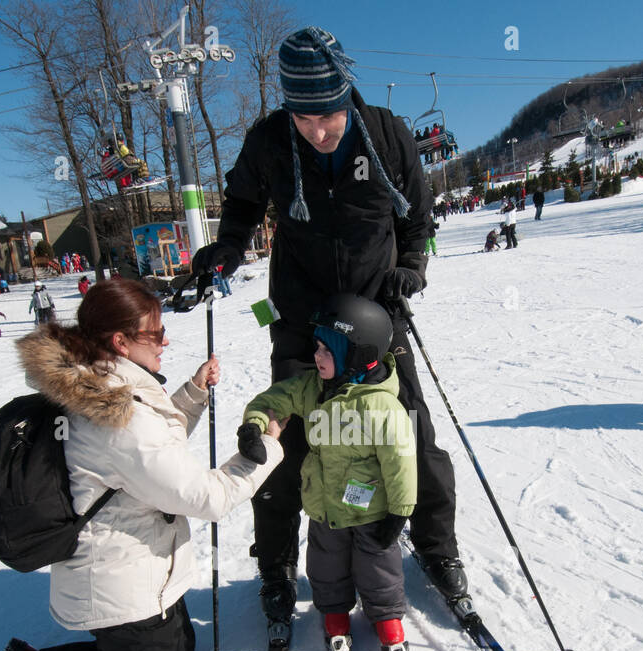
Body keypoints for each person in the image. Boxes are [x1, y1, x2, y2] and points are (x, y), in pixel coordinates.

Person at [189, 26, 465, 619]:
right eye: (303, 118)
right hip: (303, 316)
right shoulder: (269, 140)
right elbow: (240, 205)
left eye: (327, 116)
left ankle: (439, 549)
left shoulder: (387, 134)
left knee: (410, 432)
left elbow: (417, 217)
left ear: (347, 93)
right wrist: (228, 247)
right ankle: (276, 562)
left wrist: (411, 267)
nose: (316, 131)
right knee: (285, 439)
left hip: (373, 315)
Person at [0, 279, 284, 651]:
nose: (165, 341)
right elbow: (203, 496)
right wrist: (269, 449)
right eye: (156, 334)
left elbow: (147, 457)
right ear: (120, 342)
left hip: (131, 568)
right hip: (123, 585)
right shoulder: (121, 415)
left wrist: (190, 394)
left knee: (181, 648)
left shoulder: (99, 384)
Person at [239, 294, 417, 651]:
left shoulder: (381, 406)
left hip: (371, 513)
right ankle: (335, 614)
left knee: (379, 571)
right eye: (316, 347)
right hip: (324, 509)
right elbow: (273, 399)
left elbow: (401, 462)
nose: (315, 356)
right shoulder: (313, 388)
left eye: (326, 350)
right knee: (326, 568)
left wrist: (400, 512)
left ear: (357, 355)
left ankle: (387, 618)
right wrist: (254, 425)